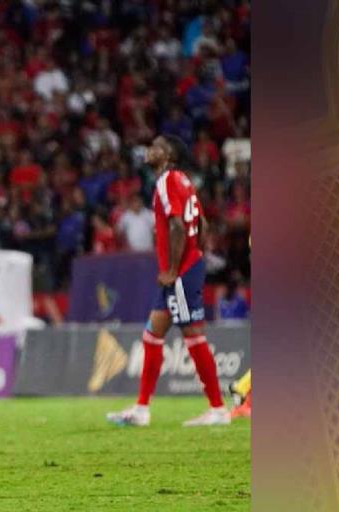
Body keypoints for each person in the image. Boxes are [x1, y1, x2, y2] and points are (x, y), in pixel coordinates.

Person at [106, 135, 230, 427]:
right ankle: (141, 409)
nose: (150, 150)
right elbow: (202, 223)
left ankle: (218, 409)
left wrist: (175, 268)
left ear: (169, 155)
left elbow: (176, 223)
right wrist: (197, 252)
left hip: (180, 272)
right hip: (186, 267)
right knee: (152, 336)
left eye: (157, 146)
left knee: (193, 336)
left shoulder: (165, 181)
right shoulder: (184, 181)